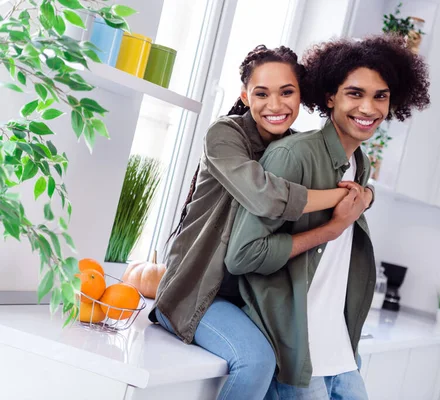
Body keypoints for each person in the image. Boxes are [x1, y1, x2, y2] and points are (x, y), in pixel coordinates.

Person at [149, 45, 374, 400]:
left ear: (302, 95)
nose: (275, 105)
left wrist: (366, 194)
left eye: (287, 92)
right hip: (197, 295)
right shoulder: (224, 135)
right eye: (261, 93)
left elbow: (347, 181)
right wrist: (343, 201)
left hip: (250, 301)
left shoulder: (294, 148)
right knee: (256, 361)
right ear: (244, 95)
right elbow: (266, 197)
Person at [224, 34, 430, 399]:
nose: (368, 108)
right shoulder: (294, 156)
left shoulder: (360, 164)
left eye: (380, 96)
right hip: (295, 348)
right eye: (355, 94)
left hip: (337, 349)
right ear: (331, 96)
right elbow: (244, 255)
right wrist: (333, 228)